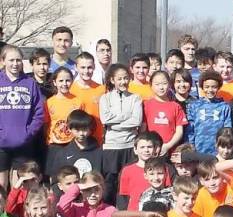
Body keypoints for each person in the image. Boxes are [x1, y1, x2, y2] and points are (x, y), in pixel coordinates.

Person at [100, 64, 143, 202]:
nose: (123, 81)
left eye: (126, 78)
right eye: (120, 79)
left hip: (130, 146)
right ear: (112, 80)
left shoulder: (135, 98)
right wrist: (126, 116)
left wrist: (115, 124)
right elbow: (105, 119)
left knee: (127, 181)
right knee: (110, 182)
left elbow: (136, 121)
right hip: (112, 147)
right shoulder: (105, 98)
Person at [117, 132, 172, 217]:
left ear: (154, 149)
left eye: (149, 147)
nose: (146, 150)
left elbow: (167, 193)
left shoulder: (163, 169)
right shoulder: (127, 170)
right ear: (135, 150)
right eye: (142, 147)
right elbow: (123, 198)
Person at [45, 67, 84, 174]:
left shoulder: (77, 101)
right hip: (54, 144)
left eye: (68, 80)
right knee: (54, 174)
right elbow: (46, 125)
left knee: (71, 173)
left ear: (72, 81)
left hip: (72, 144)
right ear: (55, 82)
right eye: (61, 81)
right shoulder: (49, 102)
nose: (64, 84)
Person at [186, 70, 232, 155]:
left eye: (214, 87)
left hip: (217, 151)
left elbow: (227, 130)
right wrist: (191, 145)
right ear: (202, 87)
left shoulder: (224, 107)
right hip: (198, 149)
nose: (210, 90)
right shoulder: (194, 106)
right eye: (207, 87)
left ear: (218, 87)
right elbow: (190, 129)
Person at [45, 110, 103, 178]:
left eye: (84, 129)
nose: (81, 134)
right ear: (69, 129)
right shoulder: (63, 154)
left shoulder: (100, 152)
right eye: (77, 130)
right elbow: (55, 179)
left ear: (90, 129)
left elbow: (107, 178)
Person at [143, 71, 187, 156]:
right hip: (151, 150)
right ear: (151, 85)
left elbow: (179, 131)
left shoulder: (176, 106)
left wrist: (167, 146)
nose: (161, 87)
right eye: (157, 84)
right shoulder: (146, 105)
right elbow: (143, 130)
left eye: (164, 83)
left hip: (170, 150)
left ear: (170, 85)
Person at [70, 52, 106, 143]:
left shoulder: (102, 89)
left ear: (94, 67)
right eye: (82, 67)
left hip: (97, 138)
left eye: (89, 67)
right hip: (76, 140)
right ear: (76, 67)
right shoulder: (70, 90)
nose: (86, 71)